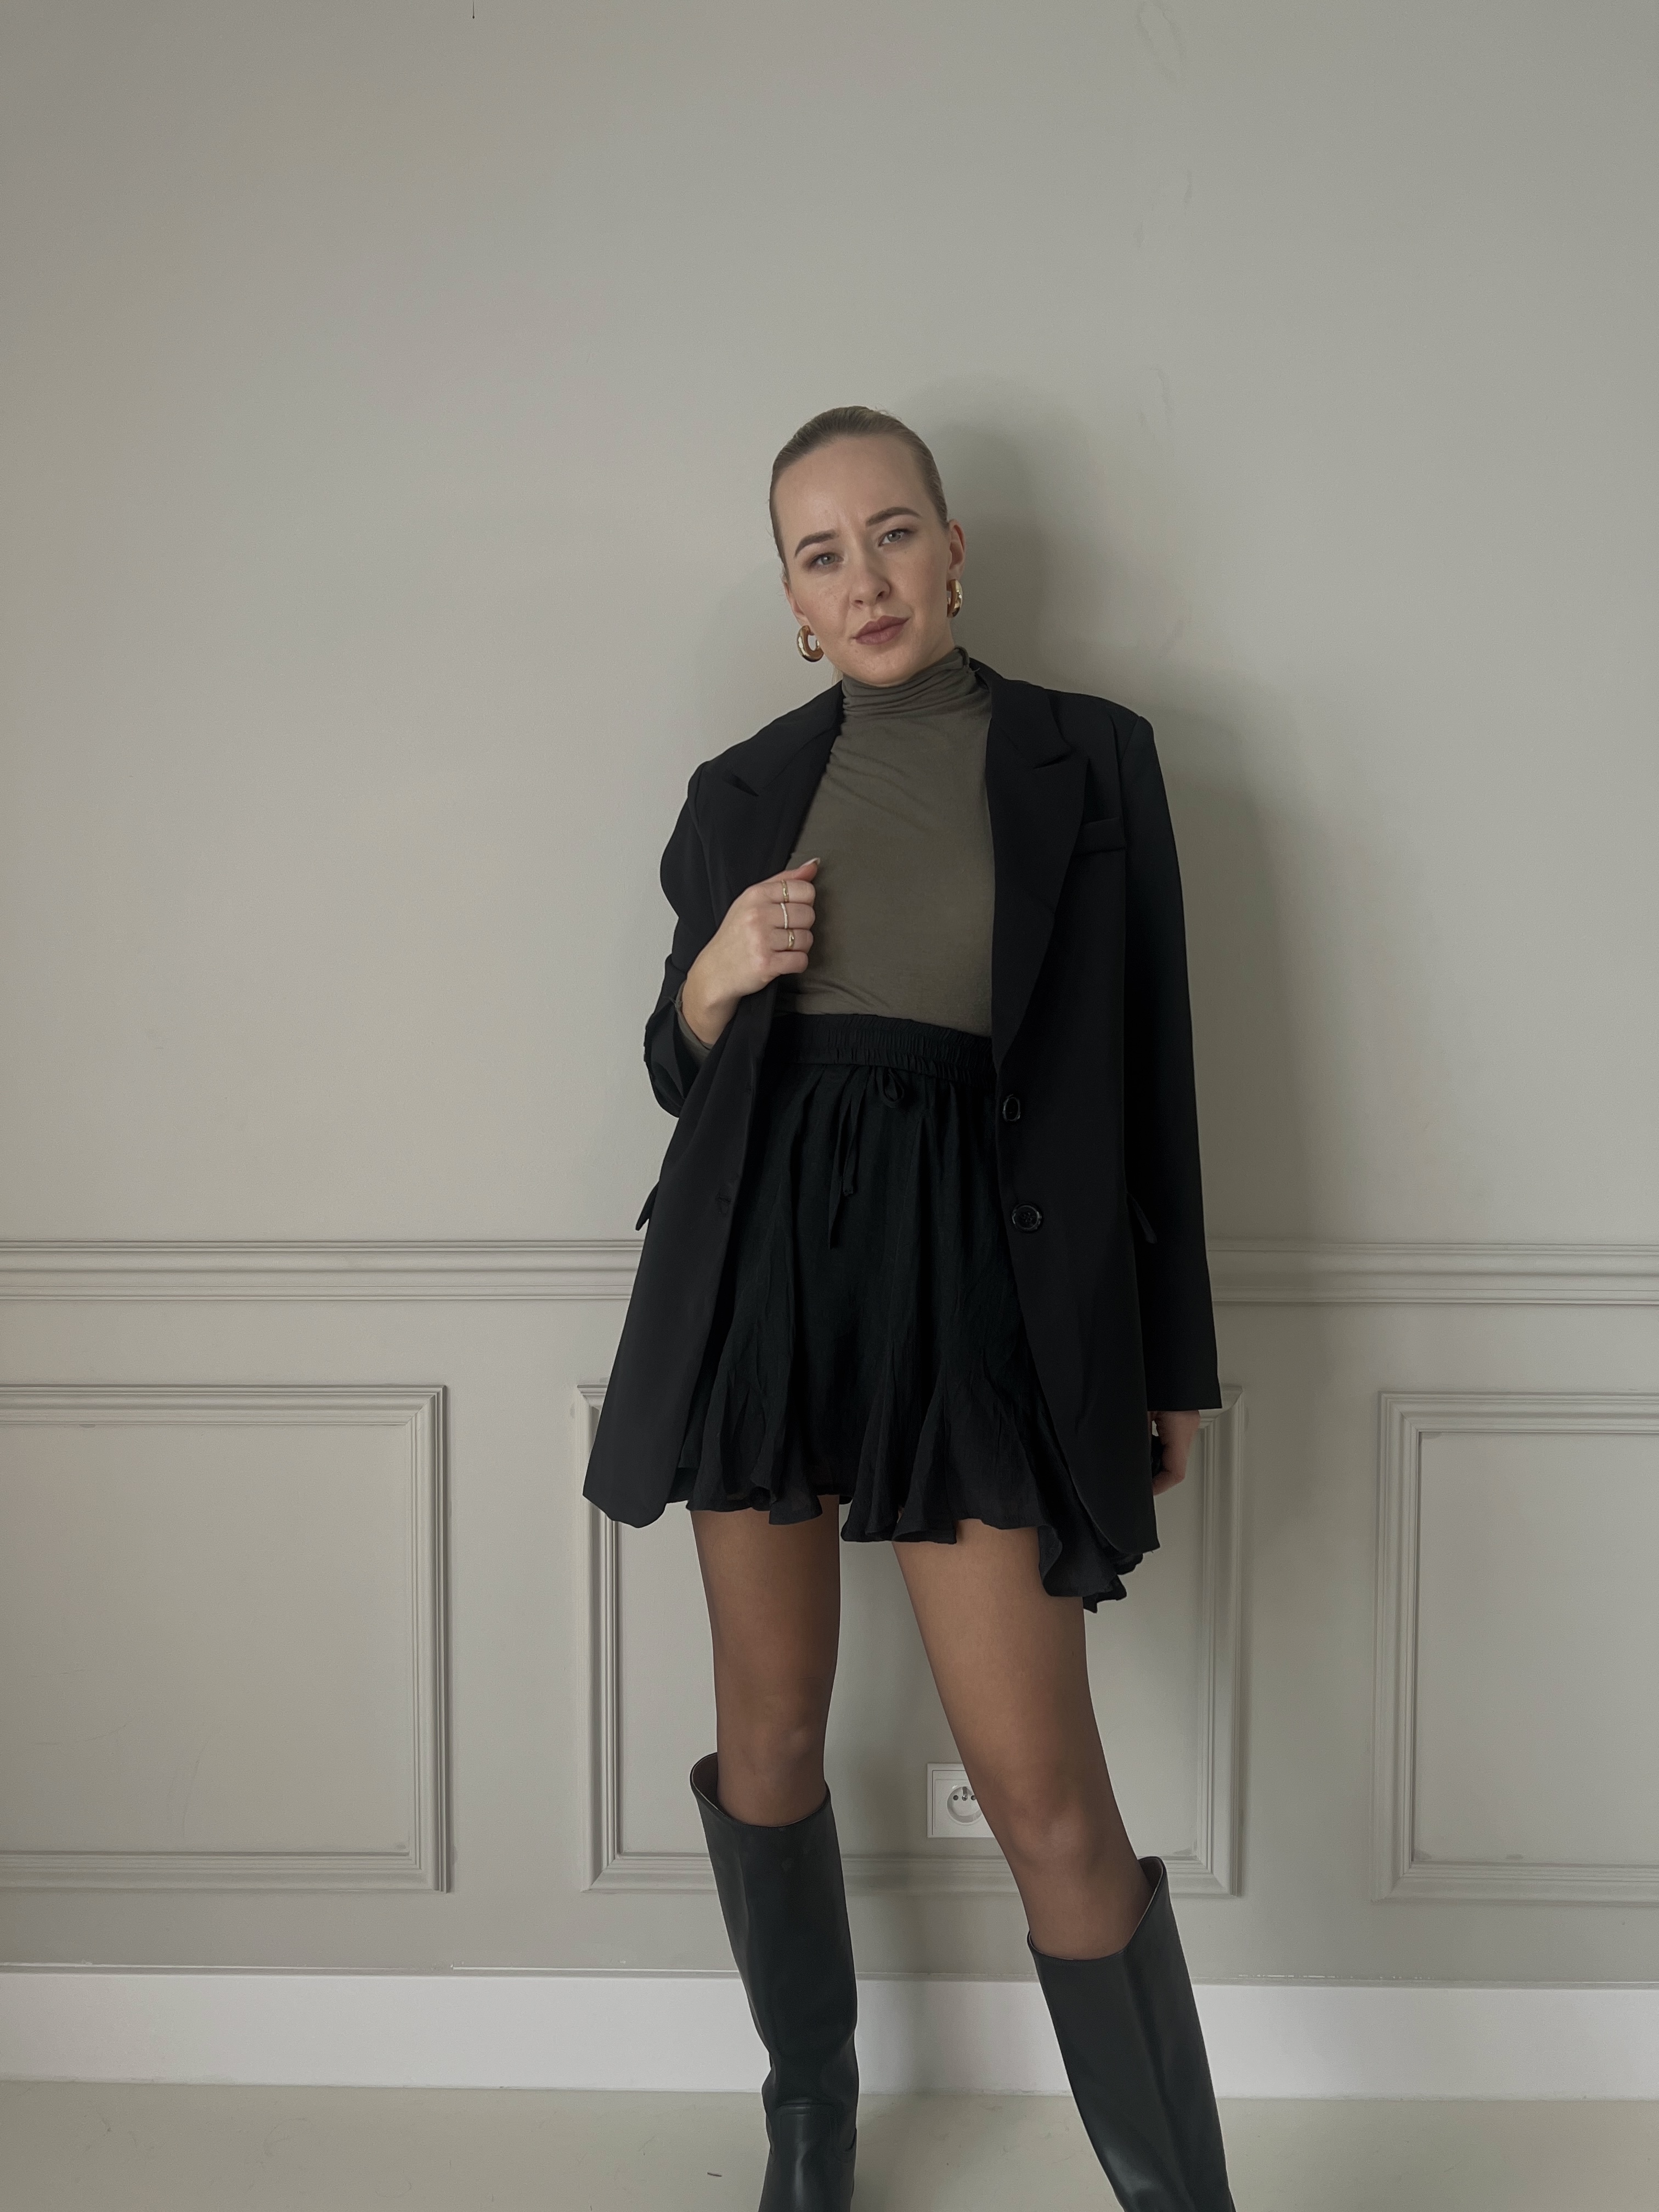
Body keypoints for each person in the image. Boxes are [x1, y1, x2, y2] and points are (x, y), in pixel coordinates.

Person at [584, 405, 1235, 2211]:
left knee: (1045, 1794)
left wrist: (1169, 1360)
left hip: (987, 1279)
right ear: (793, 604)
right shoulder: (739, 792)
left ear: (955, 549)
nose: (863, 578)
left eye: (891, 533)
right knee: (773, 1731)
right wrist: (714, 980)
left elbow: (1155, 1076)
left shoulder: (1093, 761)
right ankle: (810, 2121)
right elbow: (676, 1068)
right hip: (763, 1271)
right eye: (821, 553)